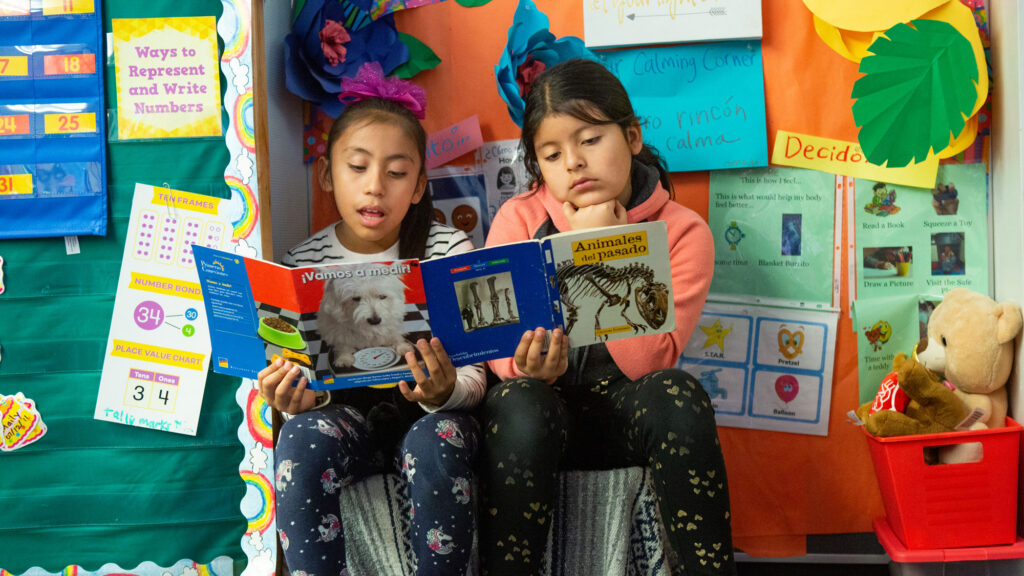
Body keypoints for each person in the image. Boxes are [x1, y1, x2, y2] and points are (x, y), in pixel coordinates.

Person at [479, 58, 735, 576]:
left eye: (590, 140)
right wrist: (525, 366)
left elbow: (648, 361)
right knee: (518, 398)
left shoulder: (682, 232)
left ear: (633, 137)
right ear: (538, 166)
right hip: (542, 418)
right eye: (552, 154)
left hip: (624, 413)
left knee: (677, 393)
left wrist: (599, 246)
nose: (573, 162)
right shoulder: (520, 218)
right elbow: (497, 353)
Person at [259, 62, 484, 576]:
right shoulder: (302, 264)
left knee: (436, 440)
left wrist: (444, 391)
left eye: (397, 172)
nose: (376, 187)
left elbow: (476, 383)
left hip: (432, 417)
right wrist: (293, 402)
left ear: (421, 185)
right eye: (357, 167)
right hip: (348, 419)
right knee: (298, 439)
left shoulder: (448, 248)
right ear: (326, 174)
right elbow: (300, 381)